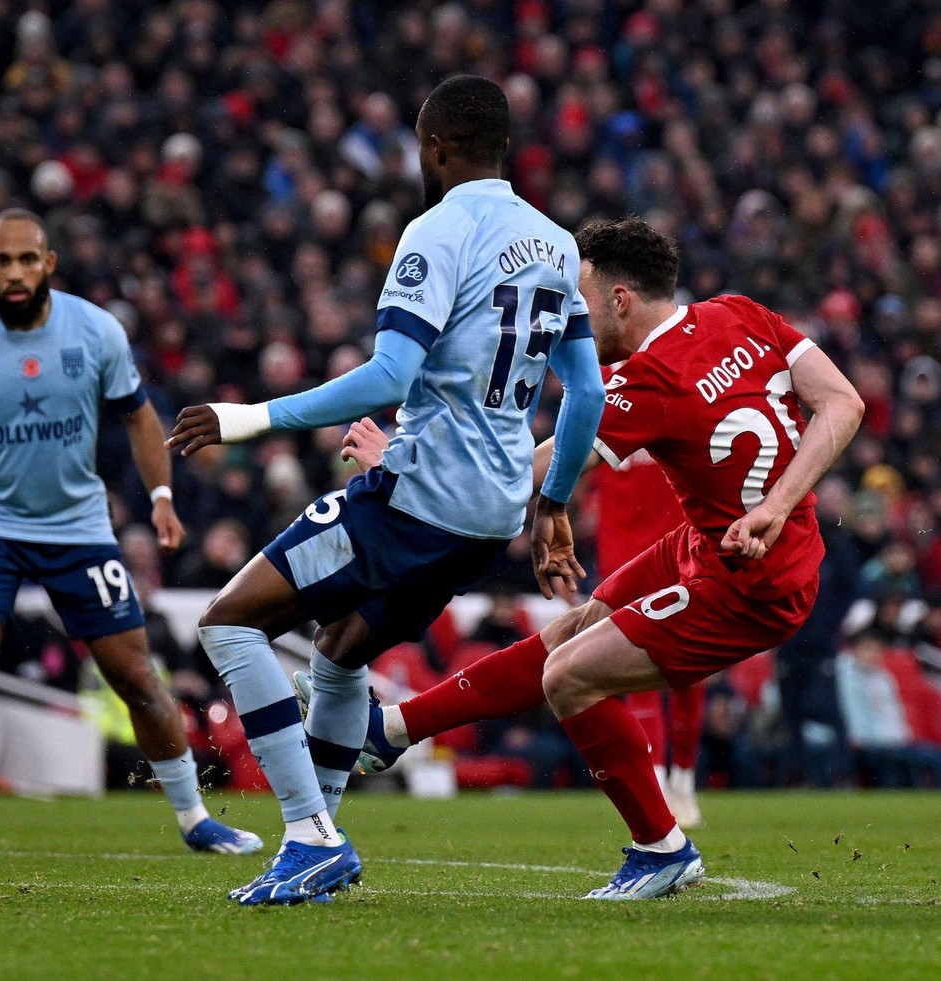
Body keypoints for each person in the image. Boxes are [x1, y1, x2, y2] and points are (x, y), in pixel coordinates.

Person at [166, 76, 606, 905]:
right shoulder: (555, 243)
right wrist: (553, 504)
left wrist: (250, 418)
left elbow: (388, 376)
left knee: (229, 624)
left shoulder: (437, 231)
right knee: (338, 658)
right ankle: (321, 844)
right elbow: (586, 394)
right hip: (489, 518)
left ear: (434, 147)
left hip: (416, 498)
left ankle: (307, 836)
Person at [331, 216, 863, 899]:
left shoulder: (644, 382)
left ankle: (661, 845)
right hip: (727, 538)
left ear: (620, 300)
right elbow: (843, 402)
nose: (565, 321)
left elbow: (514, 472)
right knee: (569, 632)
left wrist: (395, 463)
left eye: (577, 301)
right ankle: (392, 730)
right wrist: (782, 502)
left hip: (751, 579)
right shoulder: (740, 312)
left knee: (570, 677)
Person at [0, 208, 260, 857]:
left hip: (79, 527)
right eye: (1, 260)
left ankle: (195, 818)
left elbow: (141, 419)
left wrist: (162, 497)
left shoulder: (95, 330)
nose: (14, 272)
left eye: (26, 259)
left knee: (137, 676)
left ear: (49, 264)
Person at [588, 434, 706, 827]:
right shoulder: (600, 389)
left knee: (691, 670)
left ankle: (684, 781)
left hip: (682, 543)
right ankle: (655, 782)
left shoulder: (678, 383)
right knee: (639, 665)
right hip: (622, 551)